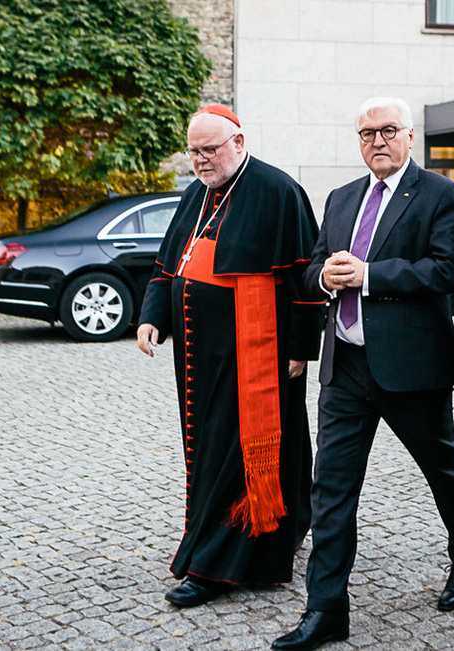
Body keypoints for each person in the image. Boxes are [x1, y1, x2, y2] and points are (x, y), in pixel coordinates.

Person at [273, 97, 454, 651]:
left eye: (388, 130)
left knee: (444, 468)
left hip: (411, 367)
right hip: (345, 366)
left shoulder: (441, 192)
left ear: (410, 137)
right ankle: (325, 610)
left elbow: (446, 271)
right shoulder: (342, 198)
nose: (377, 141)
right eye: (366, 133)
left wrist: (368, 275)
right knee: (331, 489)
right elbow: (311, 270)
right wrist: (325, 278)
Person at [136, 105, 323, 609]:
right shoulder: (196, 195)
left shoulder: (279, 191)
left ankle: (218, 567)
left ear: (238, 142)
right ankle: (281, 530)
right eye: (193, 151)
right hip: (198, 360)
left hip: (257, 355)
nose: (199, 160)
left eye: (209, 149)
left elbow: (306, 279)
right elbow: (166, 265)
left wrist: (303, 348)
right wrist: (154, 314)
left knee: (241, 455)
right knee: (211, 453)